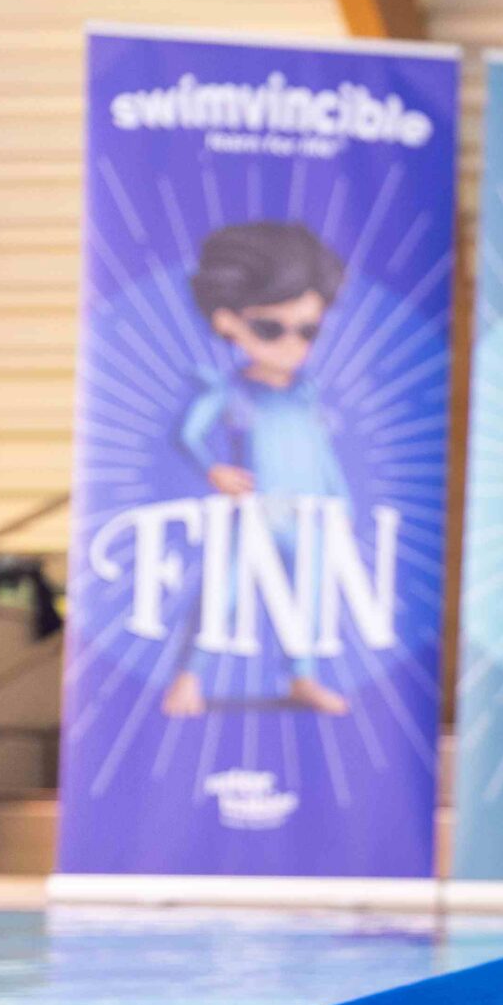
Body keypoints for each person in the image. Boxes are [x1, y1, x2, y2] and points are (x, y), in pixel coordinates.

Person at [168, 220, 354, 719]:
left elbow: (322, 452)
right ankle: (189, 678)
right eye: (270, 328)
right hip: (256, 512)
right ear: (228, 321)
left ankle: (303, 677)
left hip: (307, 512)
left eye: (307, 330)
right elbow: (187, 434)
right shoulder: (230, 389)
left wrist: (339, 500)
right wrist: (214, 472)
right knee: (223, 590)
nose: (292, 343)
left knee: (308, 594)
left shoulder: (304, 393)